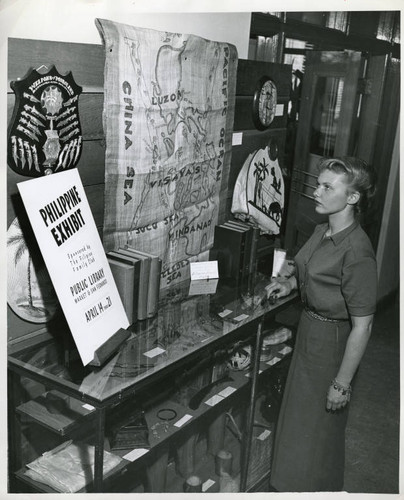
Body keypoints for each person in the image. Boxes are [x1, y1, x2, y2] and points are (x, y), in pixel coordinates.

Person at [266, 156, 377, 492]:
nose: (317, 191)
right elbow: (308, 273)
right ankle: (290, 486)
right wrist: (288, 285)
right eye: (319, 183)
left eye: (328, 187)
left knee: (318, 430)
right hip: (309, 333)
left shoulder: (357, 251)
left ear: (353, 198)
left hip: (332, 343)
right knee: (299, 422)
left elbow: (364, 326)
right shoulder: (320, 230)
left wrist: (342, 383)